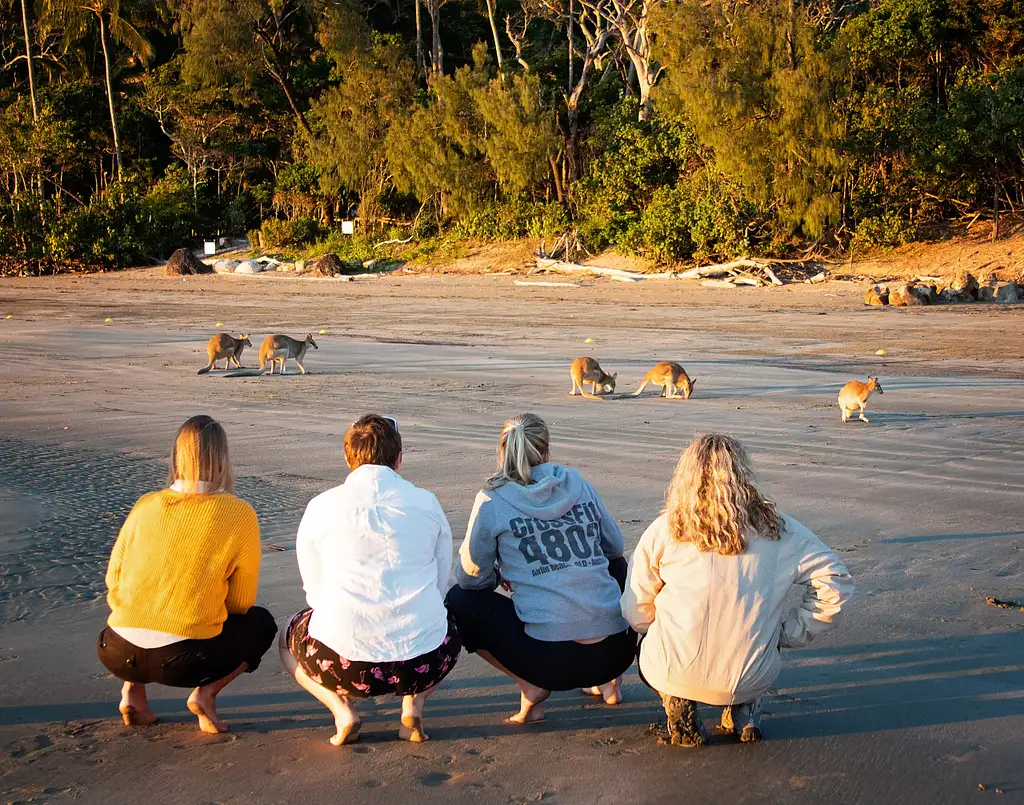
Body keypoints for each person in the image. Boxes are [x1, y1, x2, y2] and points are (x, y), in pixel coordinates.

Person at [622, 434, 854, 746]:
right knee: (757, 627)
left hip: (673, 668)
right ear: (743, 474)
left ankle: (678, 700)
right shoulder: (782, 531)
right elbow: (836, 582)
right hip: (752, 672)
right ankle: (744, 711)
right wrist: (790, 633)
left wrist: (655, 628)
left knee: (645, 637)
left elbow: (636, 607)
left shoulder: (666, 529)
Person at [281, 415, 460, 745]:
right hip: (422, 661)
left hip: (345, 666)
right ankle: (413, 706)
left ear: (348, 458)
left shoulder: (321, 506)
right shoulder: (426, 502)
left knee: (288, 636)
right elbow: (439, 583)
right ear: (398, 458)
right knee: (447, 622)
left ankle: (341, 711)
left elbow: (314, 593)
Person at [446, 413, 636, 724]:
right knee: (615, 565)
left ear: (503, 452)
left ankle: (530, 686)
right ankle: (609, 681)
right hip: (616, 653)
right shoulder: (578, 483)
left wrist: (500, 574)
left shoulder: (492, 499)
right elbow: (613, 547)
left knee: (460, 600)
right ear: (546, 450)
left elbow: (469, 577)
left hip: (550, 663)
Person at [97, 415, 277, 734]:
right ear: (223, 458)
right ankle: (205, 695)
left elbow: (114, 580)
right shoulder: (238, 513)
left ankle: (132, 693)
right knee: (261, 623)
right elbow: (240, 602)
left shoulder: (146, 505)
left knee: (142, 604)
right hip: (184, 660)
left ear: (177, 456)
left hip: (114, 648)